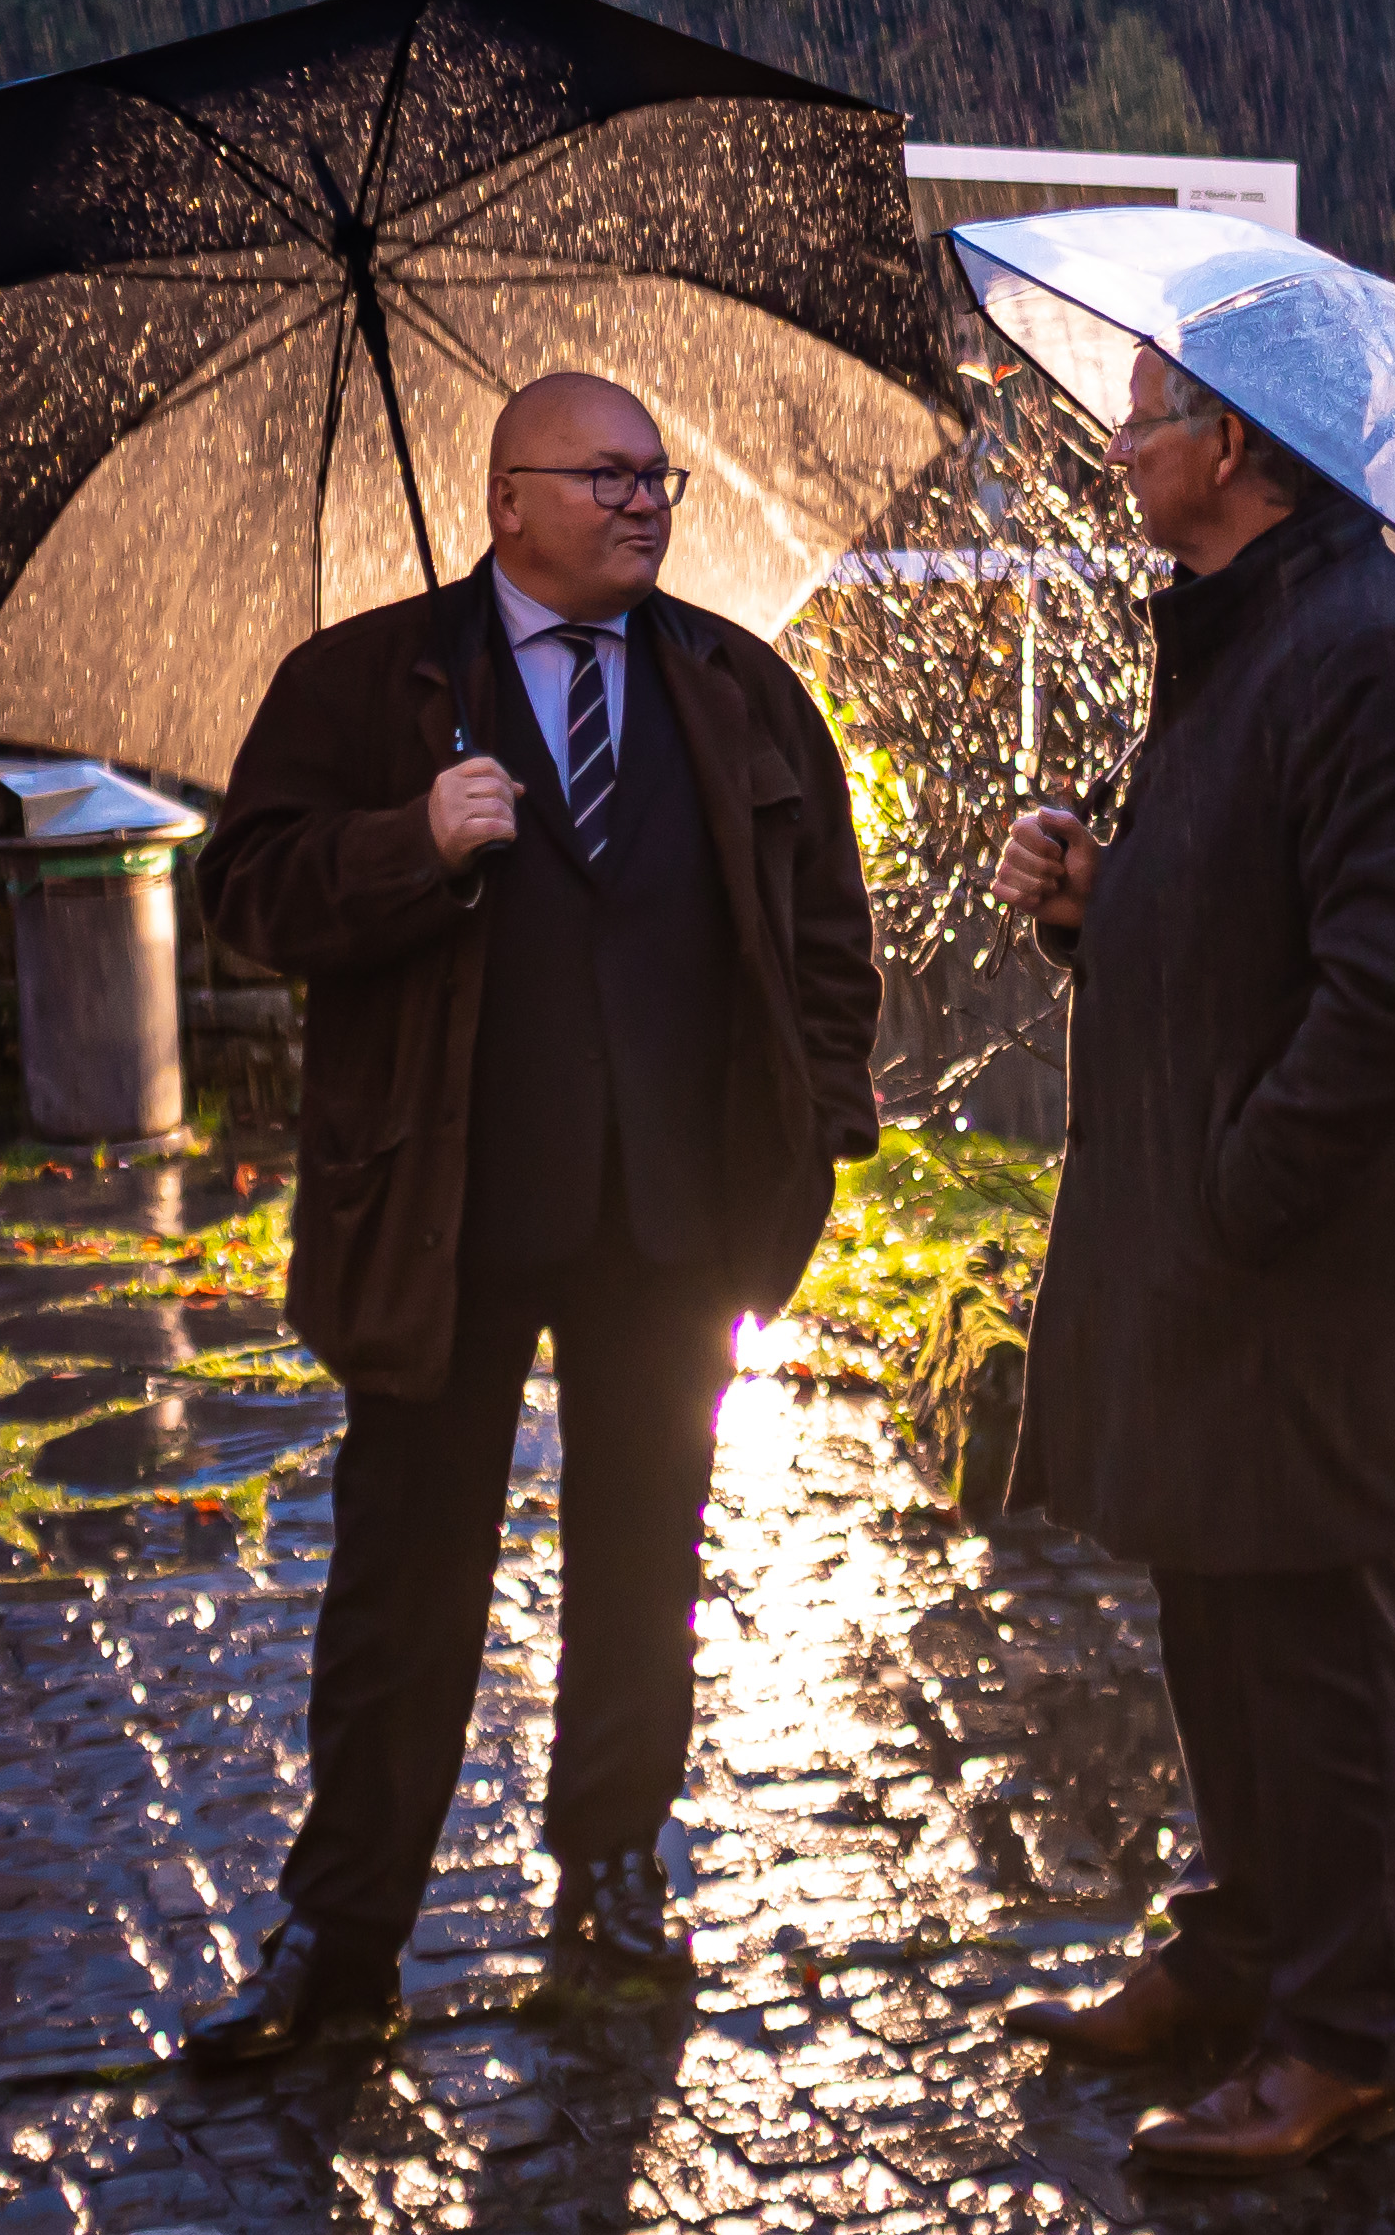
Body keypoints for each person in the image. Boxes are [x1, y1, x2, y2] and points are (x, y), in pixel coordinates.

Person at [177, 372, 881, 2063]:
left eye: (660, 477)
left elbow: (826, 937)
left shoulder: (737, 684)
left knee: (645, 1560)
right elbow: (247, 893)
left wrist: (825, 1131)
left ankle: (615, 1863)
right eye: (610, 475)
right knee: (408, 1581)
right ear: (509, 497)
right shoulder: (368, 683)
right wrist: (409, 840)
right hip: (445, 1217)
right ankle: (347, 1932)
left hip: (674, 1221)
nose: (646, 502)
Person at [983, 344, 1395, 2178]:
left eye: (1138, 416)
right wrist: (1094, 898)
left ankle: (1340, 2041)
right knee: (1220, 1621)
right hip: (1216, 1262)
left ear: (1235, 448)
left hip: (1311, 1278)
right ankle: (1242, 1955)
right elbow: (1226, 932)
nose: (1112, 446)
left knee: (1321, 1653)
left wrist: (1243, 1195)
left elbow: (1394, 990)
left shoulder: (1371, 655)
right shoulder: (1230, 637)